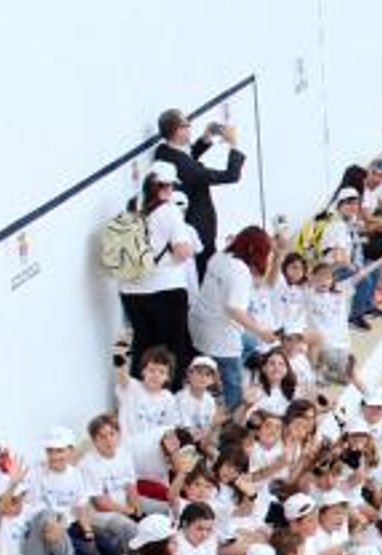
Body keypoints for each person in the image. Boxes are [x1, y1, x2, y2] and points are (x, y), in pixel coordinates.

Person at [117, 161, 197, 381]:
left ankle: (138, 395)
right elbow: (183, 252)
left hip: (131, 291)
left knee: (143, 346)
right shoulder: (169, 211)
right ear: (165, 186)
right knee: (171, 350)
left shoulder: (132, 205)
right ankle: (168, 398)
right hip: (165, 289)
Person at [153, 109, 247, 277]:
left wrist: (206, 138)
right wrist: (233, 144)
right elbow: (231, 175)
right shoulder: (186, 167)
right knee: (207, 277)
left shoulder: (163, 152)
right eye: (187, 125)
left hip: (190, 228)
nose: (190, 128)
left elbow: (187, 160)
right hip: (199, 231)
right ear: (178, 130)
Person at [194, 226, 278, 408]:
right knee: (234, 382)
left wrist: (276, 254)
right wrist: (261, 331)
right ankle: (234, 423)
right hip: (219, 334)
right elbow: (234, 309)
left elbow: (258, 282)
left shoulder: (220, 257)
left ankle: (217, 380)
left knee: (251, 344)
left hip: (199, 324)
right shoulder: (239, 270)